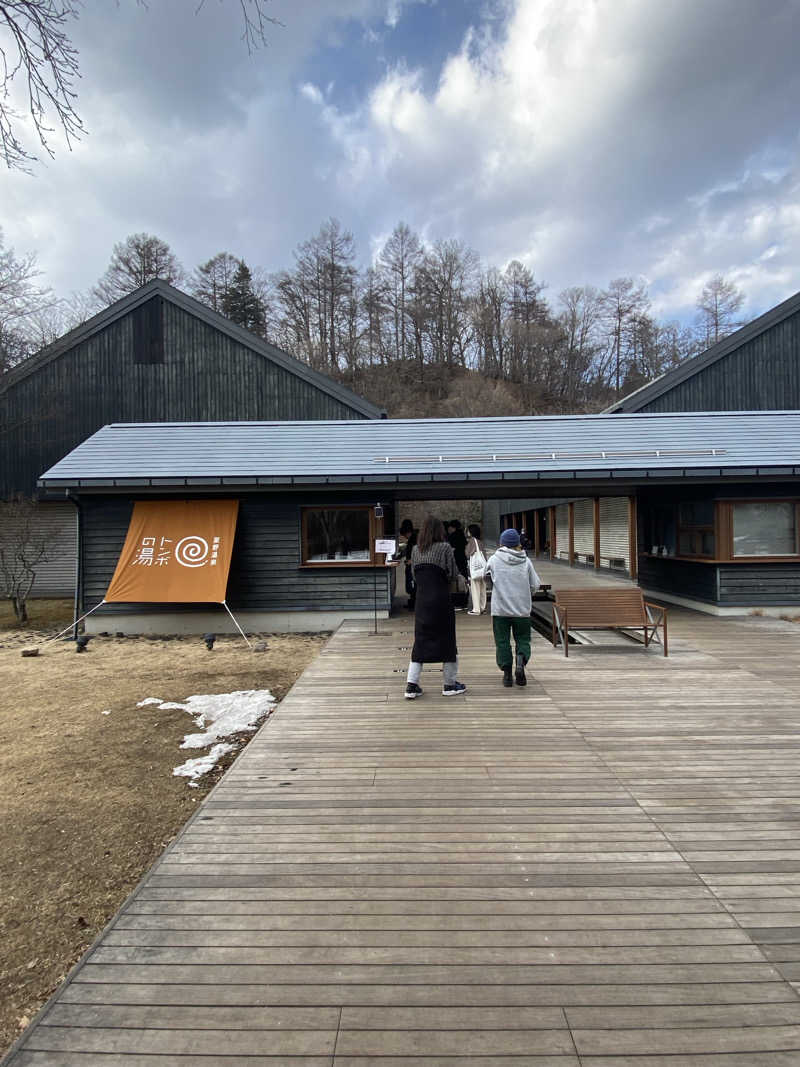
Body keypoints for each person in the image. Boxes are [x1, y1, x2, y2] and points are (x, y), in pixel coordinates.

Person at [404, 515, 467, 699]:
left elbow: (415, 576)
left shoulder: (415, 550)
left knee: (420, 643)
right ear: (440, 531)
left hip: (422, 601)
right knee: (448, 642)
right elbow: (454, 574)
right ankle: (449, 685)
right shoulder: (445, 547)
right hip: (441, 600)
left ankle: (411, 685)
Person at [486, 527, 541, 688]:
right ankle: (520, 661)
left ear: (502, 543)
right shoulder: (526, 560)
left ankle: (507, 675)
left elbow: (485, 577)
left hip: (500, 609)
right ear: (517, 543)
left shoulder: (494, 559)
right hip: (522, 609)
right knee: (523, 639)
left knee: (502, 642)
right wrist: (526, 593)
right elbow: (535, 585)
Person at [465, 522, 488, 615]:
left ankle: (476, 609)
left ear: (471, 532)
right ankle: (482, 607)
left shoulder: (472, 541)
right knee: (483, 588)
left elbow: (468, 553)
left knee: (475, 588)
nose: (467, 532)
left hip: (475, 569)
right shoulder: (480, 541)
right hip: (483, 568)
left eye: (468, 530)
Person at [397, 518, 418, 610]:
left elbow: (419, 552)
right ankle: (412, 602)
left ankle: (414, 604)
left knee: (412, 584)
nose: (405, 537)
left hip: (413, 565)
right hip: (411, 564)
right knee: (411, 584)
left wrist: (412, 560)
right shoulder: (413, 538)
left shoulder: (414, 539)